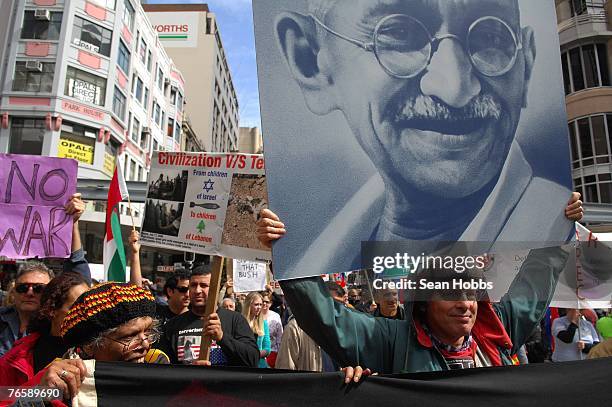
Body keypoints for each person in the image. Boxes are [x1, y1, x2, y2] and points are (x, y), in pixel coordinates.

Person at [270, 0, 577, 280]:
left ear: (526, 65)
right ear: (309, 61)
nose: (455, 88)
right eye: (400, 34)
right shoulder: (317, 267)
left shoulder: (557, 248)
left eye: (491, 37)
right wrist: (263, 243)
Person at [257, 194, 584, 374]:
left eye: (470, 293)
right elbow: (324, 315)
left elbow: (534, 281)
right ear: (424, 300)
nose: (465, 304)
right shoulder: (390, 341)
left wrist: (560, 223)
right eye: (451, 293)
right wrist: (290, 249)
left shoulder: (496, 331)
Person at [157, 265, 259, 367]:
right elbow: (162, 367)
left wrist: (222, 338)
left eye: (204, 285)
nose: (197, 291)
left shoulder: (235, 320)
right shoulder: (173, 326)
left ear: (216, 289)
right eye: (193, 285)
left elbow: (252, 359)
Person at [0, 272, 89, 386]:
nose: (87, 313)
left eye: (90, 306)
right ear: (52, 310)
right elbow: (5, 398)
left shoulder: (102, 349)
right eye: (77, 308)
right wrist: (39, 390)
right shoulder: (17, 357)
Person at [242, 292, 271, 368]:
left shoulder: (263, 323)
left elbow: (267, 348)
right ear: (249, 305)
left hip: (260, 366)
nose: (259, 307)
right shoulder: (240, 322)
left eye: (260, 305)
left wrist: (255, 355)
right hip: (243, 365)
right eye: (256, 304)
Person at [261, 292, 283, 368]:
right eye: (262, 301)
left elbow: (279, 336)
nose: (264, 304)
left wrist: (280, 354)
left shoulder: (276, 316)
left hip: (273, 352)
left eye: (267, 302)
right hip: (258, 353)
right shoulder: (255, 314)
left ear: (270, 303)